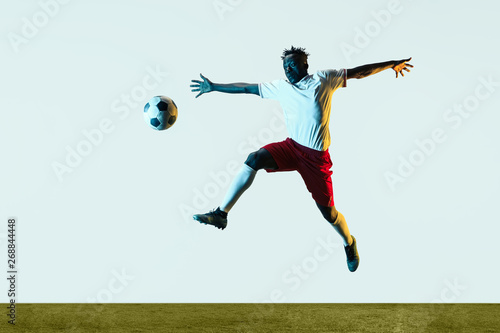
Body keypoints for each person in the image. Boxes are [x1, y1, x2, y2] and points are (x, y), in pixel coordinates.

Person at [190, 46, 413, 272]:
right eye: (285, 66)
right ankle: (221, 214)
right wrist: (214, 86)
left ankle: (349, 241)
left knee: (329, 214)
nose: (288, 69)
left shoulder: (323, 79)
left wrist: (391, 64)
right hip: (291, 148)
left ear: (305, 65)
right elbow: (246, 88)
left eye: (293, 64)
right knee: (254, 159)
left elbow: (359, 72)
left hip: (316, 160)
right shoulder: (281, 88)